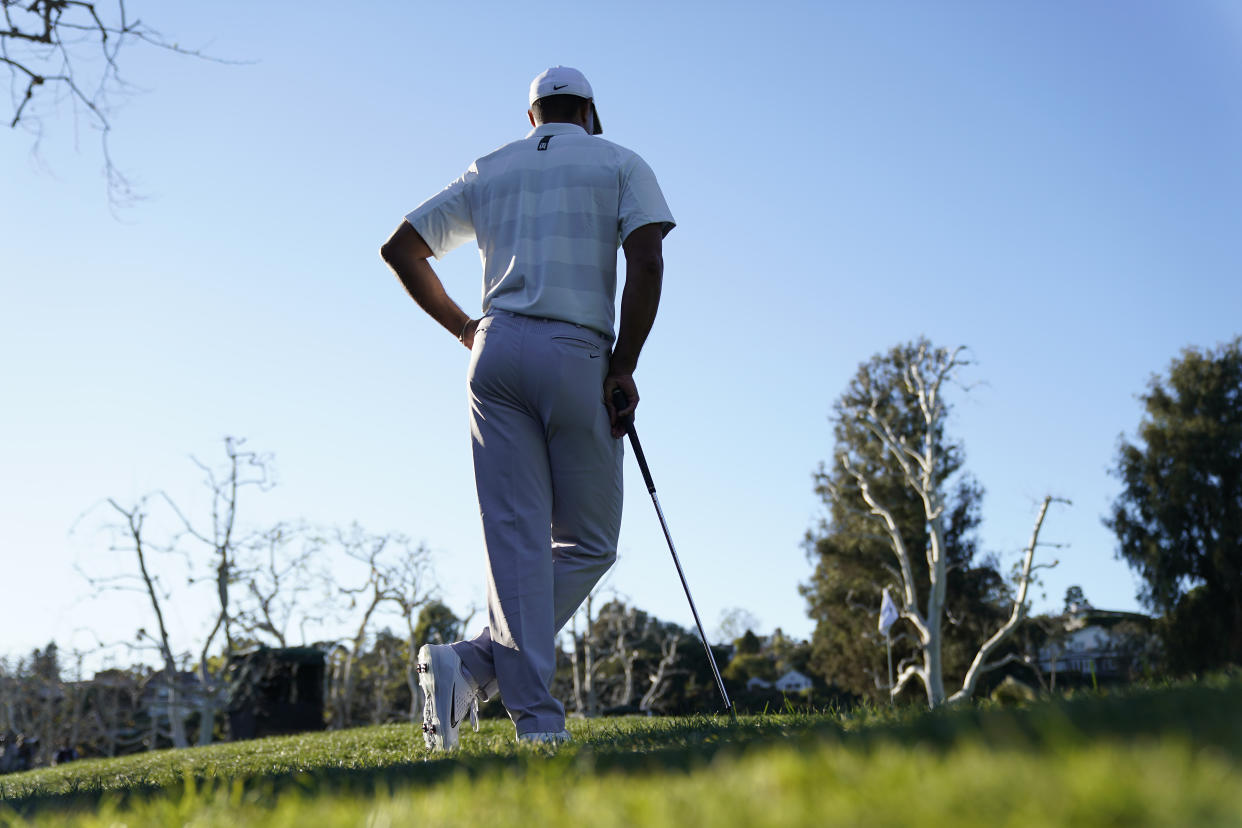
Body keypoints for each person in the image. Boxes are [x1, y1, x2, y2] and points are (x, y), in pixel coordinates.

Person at [380, 66, 674, 749]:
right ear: (588, 113)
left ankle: (472, 667)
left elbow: (401, 249)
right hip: (577, 352)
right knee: (590, 542)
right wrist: (625, 363)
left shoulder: (492, 166)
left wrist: (464, 330)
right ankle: (530, 718)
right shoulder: (620, 161)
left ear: (533, 114)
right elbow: (649, 262)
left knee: (517, 541)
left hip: (497, 347)